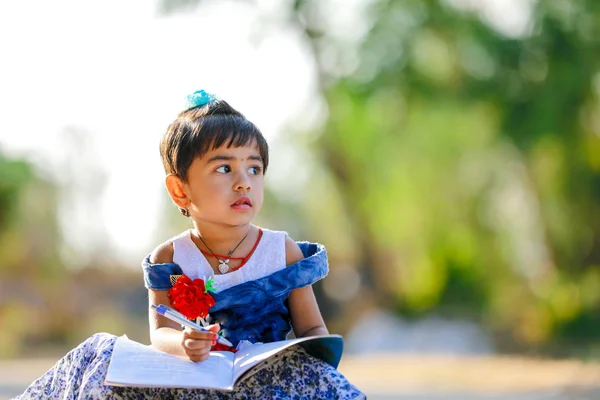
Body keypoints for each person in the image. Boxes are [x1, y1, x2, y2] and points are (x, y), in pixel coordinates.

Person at [15, 90, 365, 399]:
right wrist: (184, 344)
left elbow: (312, 330)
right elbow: (162, 332)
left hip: (267, 380)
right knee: (98, 355)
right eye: (224, 169)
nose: (244, 182)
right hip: (197, 377)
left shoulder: (281, 250)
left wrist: (314, 353)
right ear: (180, 189)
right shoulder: (170, 257)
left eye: (254, 169)